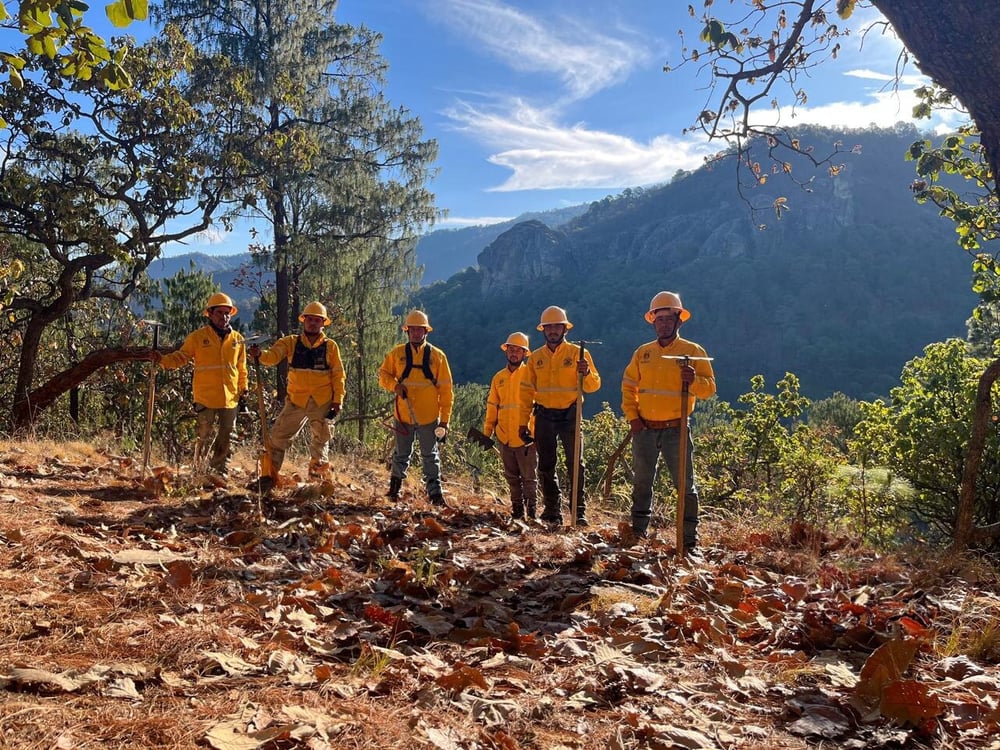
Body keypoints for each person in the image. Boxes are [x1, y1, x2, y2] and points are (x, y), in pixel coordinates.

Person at [621, 291, 716, 550]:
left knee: (685, 487)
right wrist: (633, 419)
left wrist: (693, 380)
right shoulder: (643, 353)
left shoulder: (693, 351)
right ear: (653, 321)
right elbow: (629, 387)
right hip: (645, 429)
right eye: (659, 318)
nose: (663, 323)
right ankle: (638, 534)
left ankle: (688, 541)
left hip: (677, 430)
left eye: (668, 318)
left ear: (679, 321)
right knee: (642, 483)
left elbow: (709, 390)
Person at [247, 301, 346, 487]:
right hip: (296, 401)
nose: (313, 323)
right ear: (304, 321)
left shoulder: (330, 346)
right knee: (278, 438)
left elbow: (338, 375)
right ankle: (269, 478)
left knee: (321, 441)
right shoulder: (290, 342)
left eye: (317, 320)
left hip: (322, 401)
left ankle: (317, 482)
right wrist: (259, 354)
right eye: (310, 319)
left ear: (323, 323)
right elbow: (273, 356)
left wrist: (337, 401)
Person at [518, 306, 600, 526]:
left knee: (576, 464)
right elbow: (526, 392)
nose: (553, 330)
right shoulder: (535, 358)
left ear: (565, 329)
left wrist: (587, 373)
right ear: (543, 330)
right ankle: (552, 510)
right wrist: (522, 422)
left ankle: (578, 512)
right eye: (549, 327)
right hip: (544, 416)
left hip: (571, 415)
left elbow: (593, 386)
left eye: (557, 326)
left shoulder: (578, 354)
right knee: (546, 465)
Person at [154, 292, 247, 478]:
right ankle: (200, 472)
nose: (224, 317)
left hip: (230, 397)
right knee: (204, 436)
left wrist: (243, 389)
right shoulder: (197, 337)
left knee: (227, 436)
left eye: (227, 313)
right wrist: (162, 360)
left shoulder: (237, 339)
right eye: (220, 313)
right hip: (205, 396)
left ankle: (220, 472)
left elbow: (241, 367)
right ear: (210, 314)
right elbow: (181, 357)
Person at [378, 310, 454, 506]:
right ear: (407, 331)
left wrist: (444, 422)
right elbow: (383, 375)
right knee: (401, 454)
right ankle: (393, 491)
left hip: (429, 418)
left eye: (419, 330)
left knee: (430, 456)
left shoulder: (437, 357)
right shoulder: (397, 354)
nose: (416, 333)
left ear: (425, 332)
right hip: (403, 415)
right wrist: (395, 386)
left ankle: (435, 495)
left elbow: (446, 391)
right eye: (412, 330)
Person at [484, 332, 537, 522]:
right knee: (512, 478)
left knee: (529, 479)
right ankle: (517, 512)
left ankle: (531, 515)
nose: (514, 353)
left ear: (525, 353)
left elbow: (537, 406)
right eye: (511, 349)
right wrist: (487, 432)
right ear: (506, 351)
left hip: (526, 439)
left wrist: (534, 434)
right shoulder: (498, 378)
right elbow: (492, 406)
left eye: (518, 350)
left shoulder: (531, 374)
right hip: (505, 436)